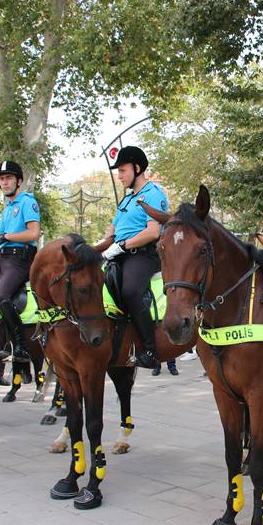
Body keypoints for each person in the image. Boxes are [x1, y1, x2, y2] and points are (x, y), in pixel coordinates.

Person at [101, 146, 168, 369]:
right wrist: (96, 250)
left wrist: (122, 246)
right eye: (118, 172)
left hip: (144, 255)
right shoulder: (127, 200)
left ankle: (150, 349)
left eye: (122, 170)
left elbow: (153, 232)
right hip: (119, 254)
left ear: (137, 168)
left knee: (130, 291)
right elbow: (112, 231)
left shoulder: (153, 194)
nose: (119, 176)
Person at [0, 160, 40, 362]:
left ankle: (21, 346)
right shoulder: (7, 208)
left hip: (20, 259)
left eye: (8, 178)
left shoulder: (27, 202)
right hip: (4, 258)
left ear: (19, 180)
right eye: (1, 179)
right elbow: (1, 238)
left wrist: (8, 237)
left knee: (2, 295)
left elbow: (33, 233)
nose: (4, 182)